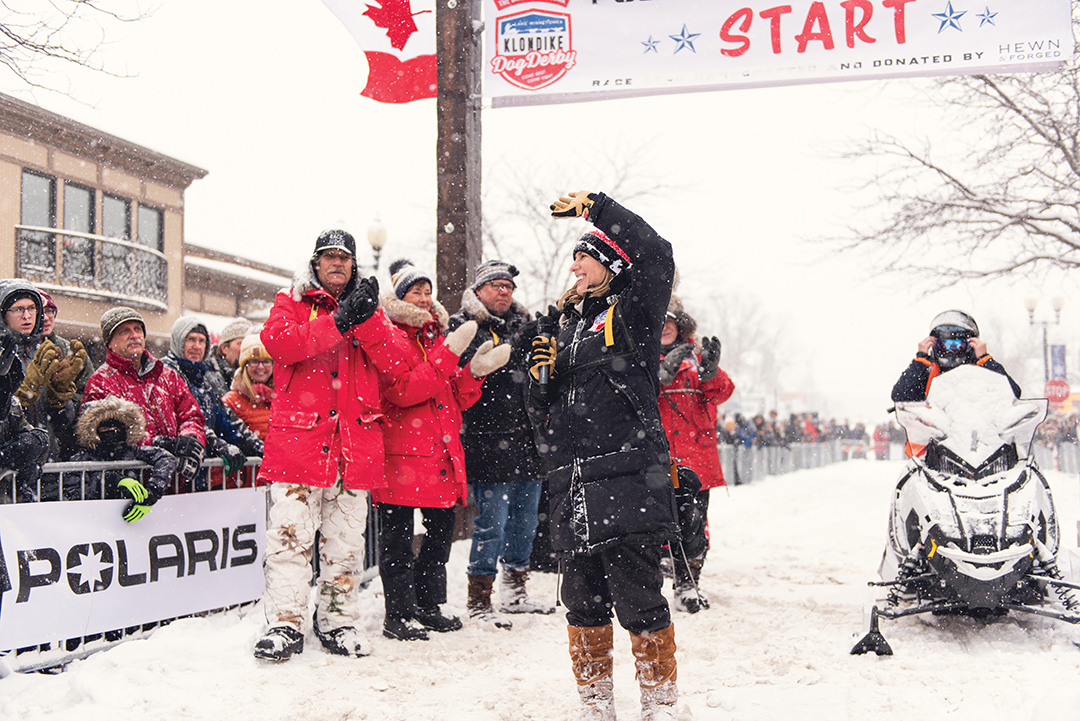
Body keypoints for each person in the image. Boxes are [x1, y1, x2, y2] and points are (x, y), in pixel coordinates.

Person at [527, 190, 680, 721]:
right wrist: (537, 384)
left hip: (627, 480)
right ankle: (596, 709)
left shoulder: (634, 315)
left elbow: (658, 255)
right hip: (571, 484)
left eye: (584, 257)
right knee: (583, 605)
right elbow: (542, 418)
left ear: (611, 265)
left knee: (640, 601)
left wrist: (599, 208)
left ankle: (659, 708)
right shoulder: (563, 328)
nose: (574, 267)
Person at [254, 229, 408, 662]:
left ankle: (338, 622)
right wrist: (337, 323)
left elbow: (395, 363)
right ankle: (285, 624)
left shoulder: (372, 312)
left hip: (353, 449)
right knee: (289, 541)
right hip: (299, 445)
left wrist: (369, 319)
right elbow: (279, 344)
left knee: (345, 546)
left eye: (345, 257)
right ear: (316, 263)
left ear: (354, 265)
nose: (337, 263)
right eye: (329, 256)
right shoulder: (292, 302)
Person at [373, 259, 511, 641]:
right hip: (402, 457)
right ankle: (397, 613)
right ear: (400, 297)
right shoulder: (390, 338)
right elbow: (404, 392)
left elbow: (452, 398)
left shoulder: (434, 338)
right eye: (415, 291)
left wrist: (474, 374)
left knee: (438, 541)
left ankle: (429, 605)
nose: (423, 297)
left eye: (427, 290)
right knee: (397, 542)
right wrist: (449, 355)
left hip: (438, 455)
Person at [449, 259, 552, 629]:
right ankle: (479, 598)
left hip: (527, 440)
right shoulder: (466, 325)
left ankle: (515, 591)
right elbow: (470, 368)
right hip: (488, 439)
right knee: (491, 523)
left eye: (508, 287)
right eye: (496, 286)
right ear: (478, 291)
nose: (504, 292)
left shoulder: (523, 326)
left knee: (526, 522)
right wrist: (515, 344)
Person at [656, 294, 734, 615]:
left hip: (695, 456)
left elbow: (723, 392)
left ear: (680, 325)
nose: (664, 328)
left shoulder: (696, 356)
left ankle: (688, 583)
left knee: (694, 522)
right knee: (658, 523)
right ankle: (652, 584)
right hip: (657, 455)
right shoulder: (640, 356)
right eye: (658, 322)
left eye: (669, 322)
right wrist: (658, 374)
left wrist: (711, 372)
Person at [81, 307, 206, 492]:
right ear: (110, 341)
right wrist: (162, 445)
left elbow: (192, 415)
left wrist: (189, 439)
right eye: (125, 331)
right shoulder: (100, 383)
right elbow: (111, 439)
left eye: (138, 329)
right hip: (136, 490)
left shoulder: (167, 375)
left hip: (178, 490)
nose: (134, 335)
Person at [162, 316, 262, 485]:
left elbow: (227, 420)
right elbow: (186, 420)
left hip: (198, 477)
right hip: (173, 477)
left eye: (201, 341)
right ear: (178, 341)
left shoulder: (202, 379)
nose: (196, 346)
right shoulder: (166, 374)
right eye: (191, 340)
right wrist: (217, 444)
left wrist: (260, 450)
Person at [0, 280, 83, 464]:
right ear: (3, 315)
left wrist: (60, 398)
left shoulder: (46, 353)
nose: (27, 316)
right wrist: (22, 395)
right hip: (10, 468)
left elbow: (65, 423)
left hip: (48, 465)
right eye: (18, 309)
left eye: (32, 308)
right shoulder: (2, 356)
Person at [68, 395, 177, 522]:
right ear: (94, 431)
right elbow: (72, 496)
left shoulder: (132, 451)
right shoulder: (81, 460)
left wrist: (153, 490)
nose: (112, 432)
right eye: (105, 429)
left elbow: (166, 458)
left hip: (130, 527)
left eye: (117, 429)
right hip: (94, 525)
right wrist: (109, 481)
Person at [892, 310, 1021, 403]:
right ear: (934, 344)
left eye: (956, 344)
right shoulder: (926, 371)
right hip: (935, 437)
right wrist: (920, 360)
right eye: (944, 344)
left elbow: (1013, 393)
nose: (950, 350)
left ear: (971, 344)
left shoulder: (981, 370)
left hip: (975, 435)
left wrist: (986, 360)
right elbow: (900, 396)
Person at [0, 331, 48, 503]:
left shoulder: (11, 402)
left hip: (10, 507)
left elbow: (31, 437)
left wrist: (34, 449)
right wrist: (6, 460)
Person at [221, 334, 274, 440]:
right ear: (245, 365)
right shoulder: (231, 401)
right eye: (254, 362)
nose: (261, 367)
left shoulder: (282, 397)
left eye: (266, 362)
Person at [206, 317, 253, 391]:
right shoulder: (210, 376)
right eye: (240, 343)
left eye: (249, 343)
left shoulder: (256, 374)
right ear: (224, 348)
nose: (245, 348)